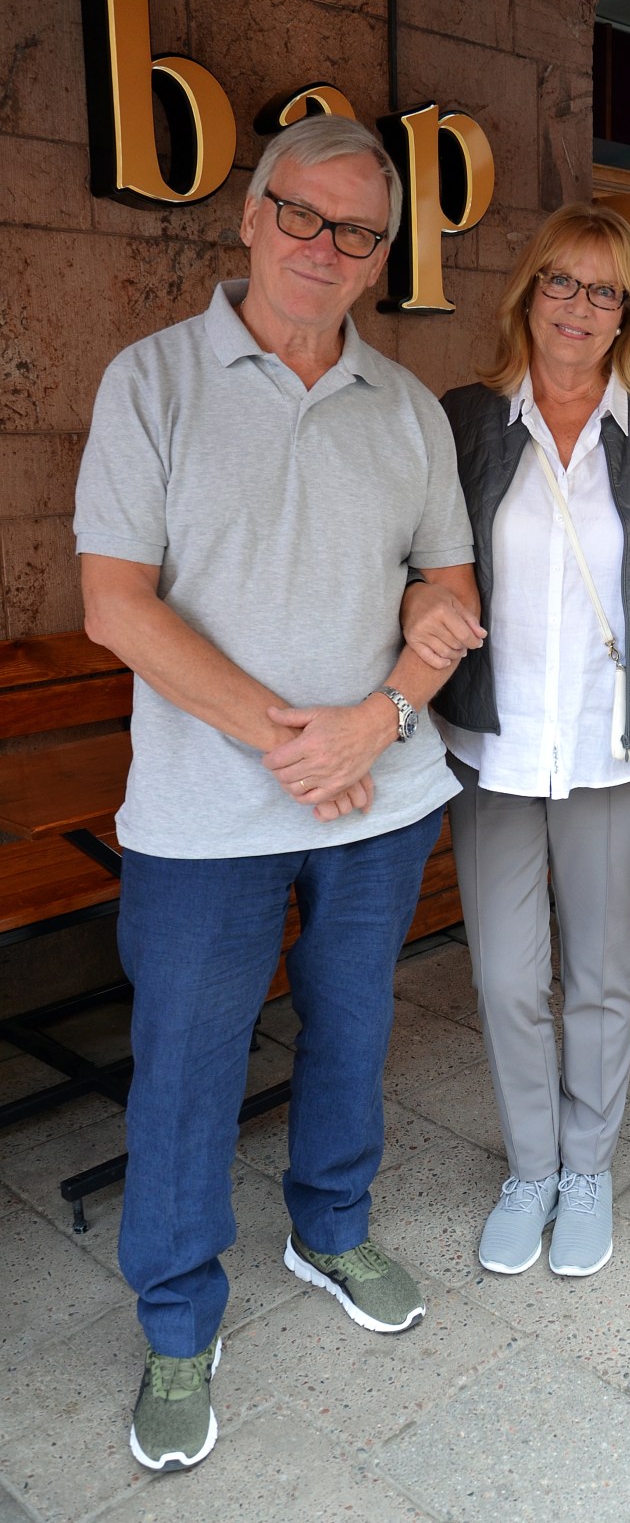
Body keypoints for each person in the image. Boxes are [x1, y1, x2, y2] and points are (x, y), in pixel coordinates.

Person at [73, 115, 478, 1469]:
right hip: (203, 815)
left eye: (357, 230)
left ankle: (332, 1228)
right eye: (302, 213)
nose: (325, 245)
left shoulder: (407, 406)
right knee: (187, 1071)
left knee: (353, 1031)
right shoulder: (152, 381)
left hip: (382, 798)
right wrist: (292, 741)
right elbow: (115, 604)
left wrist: (378, 719)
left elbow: (446, 583)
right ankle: (179, 1317)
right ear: (249, 217)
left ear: (380, 256)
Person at [402, 203, 630, 1278]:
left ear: (626, 311)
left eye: (604, 290)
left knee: (598, 975)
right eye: (561, 282)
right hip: (494, 749)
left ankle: (586, 1169)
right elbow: (415, 564)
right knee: (504, 977)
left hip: (610, 751)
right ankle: (530, 1165)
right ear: (528, 291)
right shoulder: (465, 419)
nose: (579, 307)